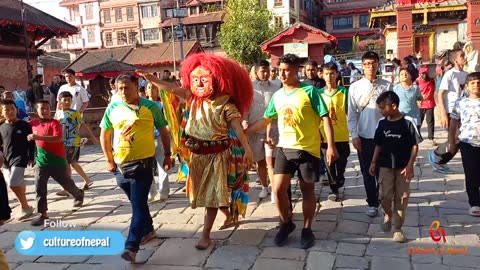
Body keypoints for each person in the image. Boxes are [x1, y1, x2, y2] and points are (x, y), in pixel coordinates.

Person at [137, 53, 253, 250]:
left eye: (204, 79)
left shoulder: (225, 103)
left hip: (218, 156)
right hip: (196, 156)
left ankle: (205, 235)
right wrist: (152, 79)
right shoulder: (192, 98)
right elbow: (172, 89)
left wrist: (248, 149)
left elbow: (237, 127)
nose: (199, 83)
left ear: (216, 80)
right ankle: (228, 213)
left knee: (211, 196)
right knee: (203, 195)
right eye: (196, 79)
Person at [246, 53, 338, 249]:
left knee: (307, 191)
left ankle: (307, 229)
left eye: (287, 70)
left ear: (297, 70)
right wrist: (246, 130)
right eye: (280, 70)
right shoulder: (278, 95)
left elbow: (325, 118)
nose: (282, 74)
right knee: (278, 190)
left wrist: (330, 146)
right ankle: (287, 223)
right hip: (284, 148)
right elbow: (267, 119)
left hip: (307, 149)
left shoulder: (310, 92)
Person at [100, 74, 172, 262]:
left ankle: (132, 245)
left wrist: (167, 154)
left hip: (144, 165)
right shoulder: (113, 108)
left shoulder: (150, 107)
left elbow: (164, 130)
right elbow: (105, 134)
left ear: (136, 86)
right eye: (120, 88)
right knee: (137, 203)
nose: (123, 92)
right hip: (120, 166)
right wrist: (109, 159)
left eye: (127, 87)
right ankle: (148, 230)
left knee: (138, 203)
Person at [369, 91, 422, 243]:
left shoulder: (408, 122)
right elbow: (378, 144)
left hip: (403, 168)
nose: (380, 111)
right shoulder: (382, 123)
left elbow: (414, 145)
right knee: (385, 195)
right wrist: (373, 162)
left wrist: (410, 165)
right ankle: (387, 214)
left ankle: (398, 228)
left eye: (382, 107)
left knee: (402, 197)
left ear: (393, 106)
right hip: (385, 166)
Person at [347, 51, 392, 217]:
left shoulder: (386, 86)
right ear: (362, 66)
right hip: (364, 136)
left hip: (384, 136)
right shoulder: (354, 87)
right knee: (368, 172)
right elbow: (352, 115)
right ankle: (372, 202)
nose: (370, 67)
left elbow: (392, 112)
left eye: (373, 63)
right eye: (366, 64)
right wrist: (354, 135)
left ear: (378, 64)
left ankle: (383, 199)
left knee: (384, 171)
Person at [28, 100, 85, 226]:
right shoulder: (33, 124)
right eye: (42, 108)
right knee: (39, 188)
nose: (45, 111)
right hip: (41, 163)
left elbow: (57, 138)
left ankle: (78, 194)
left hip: (57, 161)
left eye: (48, 108)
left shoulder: (55, 123)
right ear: (36, 111)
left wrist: (38, 138)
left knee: (67, 184)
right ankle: (43, 214)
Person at [244, 60, 280, 200]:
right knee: (260, 161)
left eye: (267, 71)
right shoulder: (249, 88)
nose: (265, 74)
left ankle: (275, 190)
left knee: (271, 161)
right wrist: (245, 121)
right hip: (254, 130)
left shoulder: (276, 87)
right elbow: (246, 108)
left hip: (272, 130)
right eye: (262, 71)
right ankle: (265, 187)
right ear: (256, 72)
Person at [428, 49, 467, 173]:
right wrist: (443, 113)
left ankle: (440, 160)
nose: (464, 57)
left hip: (463, 111)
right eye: (462, 56)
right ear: (455, 60)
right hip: (451, 111)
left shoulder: (466, 74)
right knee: (455, 139)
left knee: (460, 139)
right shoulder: (450, 74)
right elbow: (440, 93)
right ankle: (436, 155)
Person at [449, 72, 480, 216]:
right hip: (467, 142)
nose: (476, 86)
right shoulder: (461, 103)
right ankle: (474, 203)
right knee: (471, 173)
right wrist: (451, 141)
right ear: (467, 86)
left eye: (478, 83)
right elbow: (454, 123)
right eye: (473, 83)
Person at [55, 91, 98, 194]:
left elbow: (83, 125)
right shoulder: (58, 113)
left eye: (69, 100)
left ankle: (67, 188)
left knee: (68, 163)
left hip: (72, 141)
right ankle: (87, 180)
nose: (67, 102)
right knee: (71, 163)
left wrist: (92, 137)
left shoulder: (75, 113)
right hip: (62, 142)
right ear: (60, 102)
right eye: (64, 100)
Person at [319, 63, 350, 201]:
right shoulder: (318, 94)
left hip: (342, 134)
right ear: (322, 75)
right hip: (324, 135)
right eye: (326, 73)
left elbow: (350, 112)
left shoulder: (344, 92)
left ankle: (341, 176)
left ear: (337, 74)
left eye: (332, 73)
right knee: (329, 163)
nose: (329, 76)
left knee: (341, 161)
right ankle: (334, 189)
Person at [0, 99, 35, 220]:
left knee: (13, 183)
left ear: (17, 110)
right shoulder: (1, 126)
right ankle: (25, 203)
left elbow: (31, 142)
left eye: (12, 109)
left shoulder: (24, 125)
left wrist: (31, 157)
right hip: (6, 160)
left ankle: (25, 207)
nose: (10, 112)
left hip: (20, 158)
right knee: (14, 183)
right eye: (6, 110)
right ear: (2, 112)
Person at [145, 82, 170, 202]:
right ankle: (151, 191)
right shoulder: (143, 105)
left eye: (153, 88)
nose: (151, 91)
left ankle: (164, 191)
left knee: (162, 163)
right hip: (147, 137)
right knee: (147, 166)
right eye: (149, 88)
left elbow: (167, 118)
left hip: (159, 135)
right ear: (145, 91)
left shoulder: (161, 105)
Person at [417, 67, 437, 146]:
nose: (424, 75)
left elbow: (432, 90)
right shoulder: (417, 81)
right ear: (420, 74)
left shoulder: (431, 81)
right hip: (420, 104)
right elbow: (415, 91)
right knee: (419, 121)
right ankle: (417, 136)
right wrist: (420, 97)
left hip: (429, 103)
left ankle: (431, 138)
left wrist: (427, 96)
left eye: (425, 73)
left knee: (430, 121)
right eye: (422, 73)